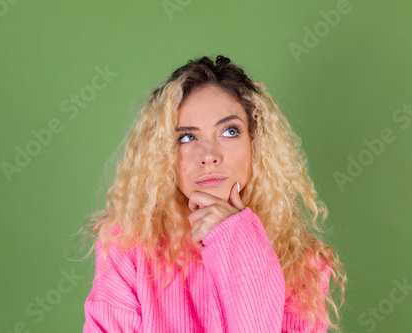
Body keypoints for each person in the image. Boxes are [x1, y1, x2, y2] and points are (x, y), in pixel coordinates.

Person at [79, 55, 346, 332]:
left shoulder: (301, 262)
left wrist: (239, 238)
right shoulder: (129, 242)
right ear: (163, 154)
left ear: (256, 143)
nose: (209, 155)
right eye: (186, 137)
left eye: (230, 132)